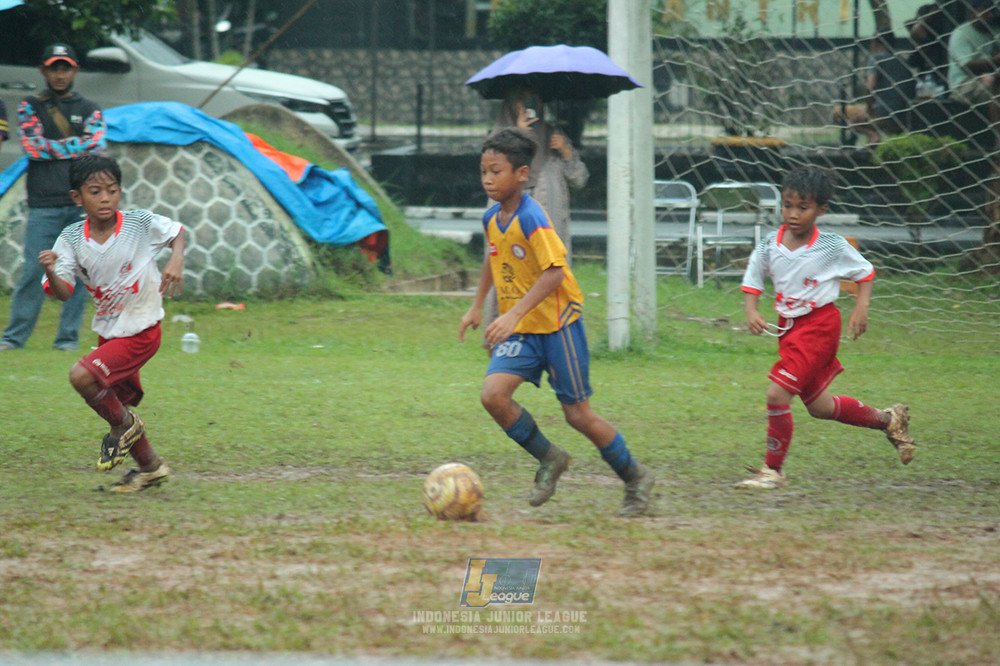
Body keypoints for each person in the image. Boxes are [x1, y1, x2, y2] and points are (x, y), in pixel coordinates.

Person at [459, 127, 654, 516]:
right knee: (493, 395)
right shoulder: (492, 218)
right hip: (523, 330)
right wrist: (478, 305)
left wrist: (512, 314)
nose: (487, 179)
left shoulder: (533, 217)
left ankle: (635, 477)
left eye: (495, 171)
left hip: (558, 327)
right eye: (483, 171)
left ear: (521, 174)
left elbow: (554, 273)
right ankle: (550, 458)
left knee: (577, 414)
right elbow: (493, 257)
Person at [735, 166, 917, 489]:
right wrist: (751, 310)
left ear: (821, 210)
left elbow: (865, 273)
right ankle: (890, 420)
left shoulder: (831, 246)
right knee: (820, 406)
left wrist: (861, 308)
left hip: (818, 328)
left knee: (777, 394)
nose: (793, 214)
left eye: (803, 208)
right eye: (788, 205)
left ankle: (772, 471)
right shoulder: (768, 245)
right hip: (789, 330)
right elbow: (753, 278)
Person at [40, 154, 185, 492]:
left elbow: (177, 232)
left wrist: (176, 259)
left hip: (143, 328)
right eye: (95, 191)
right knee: (114, 404)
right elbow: (62, 293)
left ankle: (125, 427)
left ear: (120, 192)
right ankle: (150, 467)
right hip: (110, 333)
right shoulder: (72, 239)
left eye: (112, 190)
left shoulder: (137, 223)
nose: (105, 198)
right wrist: (50, 269)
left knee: (82, 377)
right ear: (77, 197)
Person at [0, 43, 106, 352]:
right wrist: (77, 145)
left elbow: (97, 147)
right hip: (43, 204)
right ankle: (13, 338)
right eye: (54, 68)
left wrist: (54, 147)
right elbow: (32, 147)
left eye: (65, 67)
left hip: (80, 205)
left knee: (78, 272)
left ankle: (67, 340)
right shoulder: (30, 105)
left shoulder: (90, 107)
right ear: (43, 71)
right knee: (34, 271)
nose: (60, 74)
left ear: (75, 70)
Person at [480, 91, 589, 349]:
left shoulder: (552, 136)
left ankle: (553, 338)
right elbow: (504, 183)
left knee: (550, 277)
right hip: (513, 236)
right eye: (520, 101)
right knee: (508, 278)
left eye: (533, 102)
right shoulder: (497, 144)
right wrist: (518, 136)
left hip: (547, 234)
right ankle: (501, 335)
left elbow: (579, 179)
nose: (527, 108)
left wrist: (565, 152)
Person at [833, 34, 916, 145]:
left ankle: (872, 135)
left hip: (885, 112)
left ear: (874, 42)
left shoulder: (876, 58)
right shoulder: (901, 61)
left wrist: (868, 109)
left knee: (839, 112)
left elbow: (870, 86)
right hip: (906, 114)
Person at [947, 0, 1000, 136]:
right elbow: (967, 65)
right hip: (966, 82)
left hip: (993, 77)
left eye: (991, 11)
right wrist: (995, 61)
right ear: (973, 12)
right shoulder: (961, 34)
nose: (989, 15)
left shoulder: (994, 31)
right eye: (984, 11)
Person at [907, 0, 966, 97]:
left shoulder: (949, 35)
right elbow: (912, 61)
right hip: (930, 81)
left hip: (946, 77)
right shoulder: (924, 39)